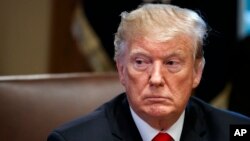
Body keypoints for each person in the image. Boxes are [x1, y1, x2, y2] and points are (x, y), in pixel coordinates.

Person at [47, 3, 250, 141]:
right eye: (141, 62)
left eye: (171, 63)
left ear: (197, 72)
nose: (156, 79)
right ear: (121, 70)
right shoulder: (73, 139)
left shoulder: (237, 131)